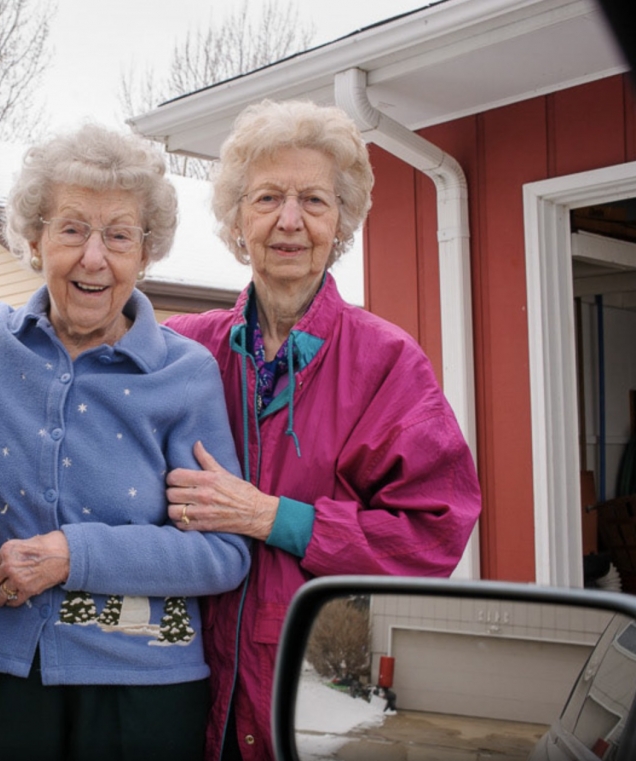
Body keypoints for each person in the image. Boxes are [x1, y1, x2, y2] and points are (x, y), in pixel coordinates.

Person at [159, 100, 482, 760]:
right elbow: (81, 360)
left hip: (310, 705)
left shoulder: (385, 362)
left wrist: (272, 516)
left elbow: (432, 531)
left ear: (341, 223)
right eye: (268, 197)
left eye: (313, 200)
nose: (289, 220)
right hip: (182, 693)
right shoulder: (183, 351)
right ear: (236, 219)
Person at [0, 123, 252, 761]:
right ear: (34, 240)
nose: (94, 257)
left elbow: (223, 554)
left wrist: (72, 554)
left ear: (145, 254)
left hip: (143, 689)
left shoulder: (184, 373)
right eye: (72, 229)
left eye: (118, 236)